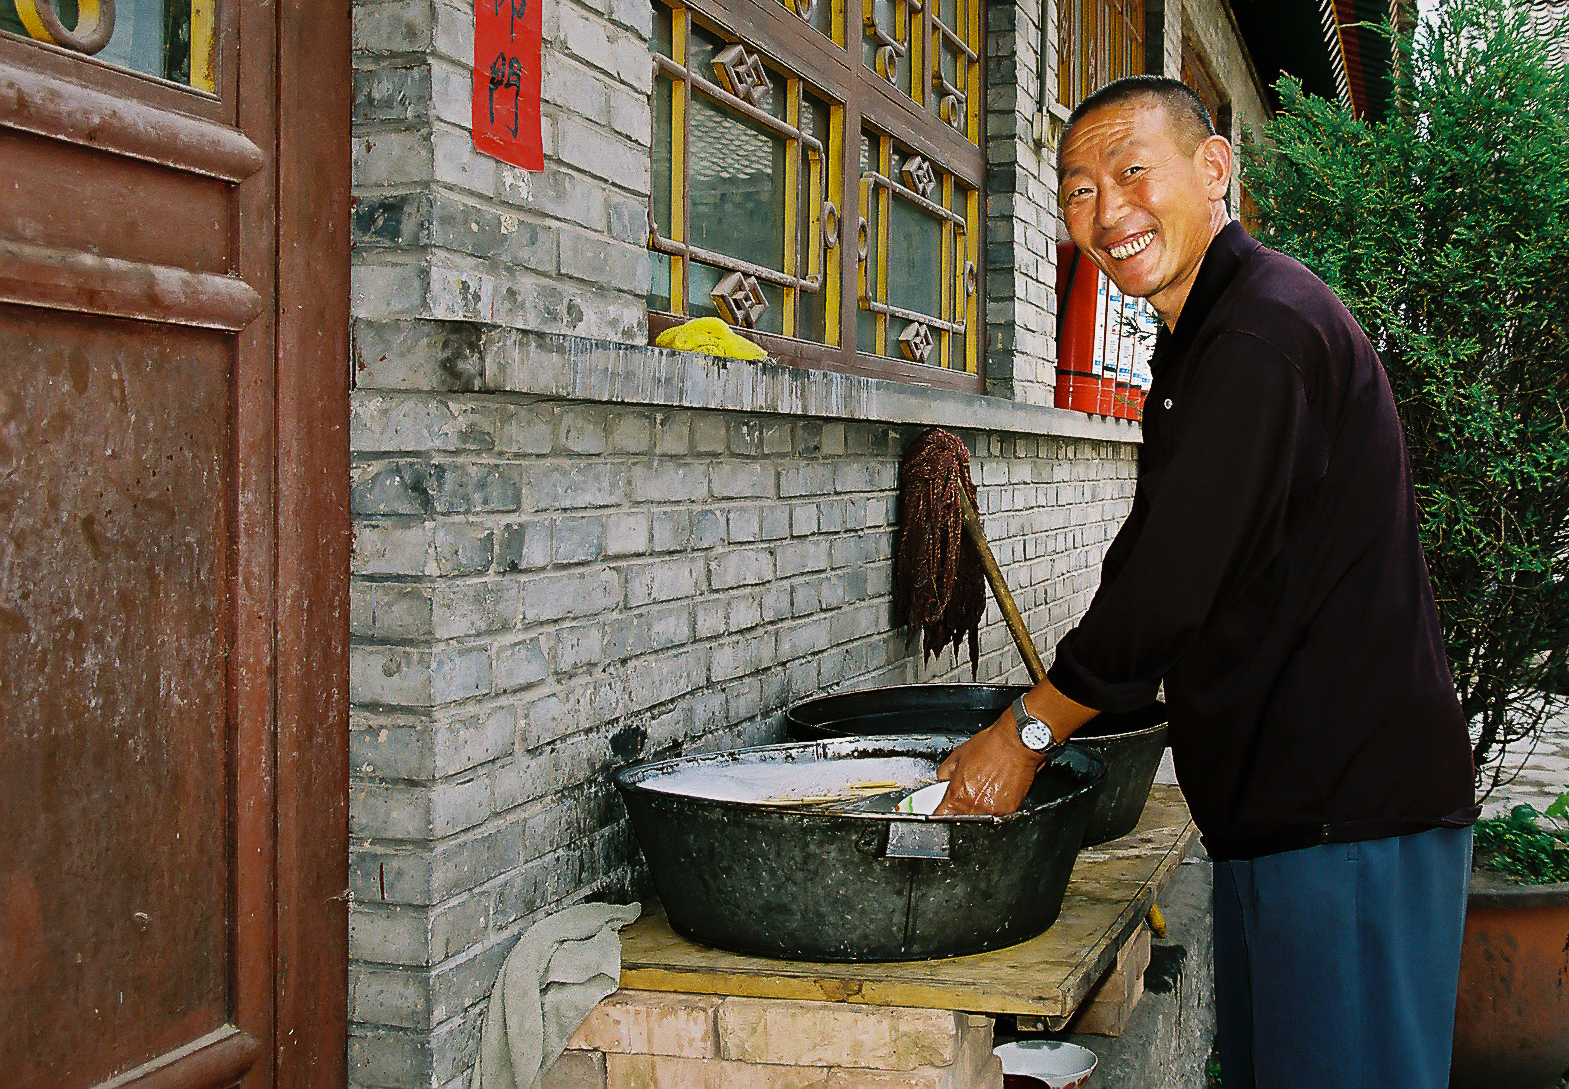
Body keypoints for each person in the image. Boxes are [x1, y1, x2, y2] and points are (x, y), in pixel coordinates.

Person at [933, 75, 1479, 1089]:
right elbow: (1153, 555)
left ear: (1213, 168)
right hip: (1284, 812)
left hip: (1348, 816)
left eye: (1132, 171)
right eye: (1080, 189)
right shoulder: (1204, 333)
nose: (1108, 210)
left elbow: (1167, 588)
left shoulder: (1263, 333)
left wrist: (1027, 733)